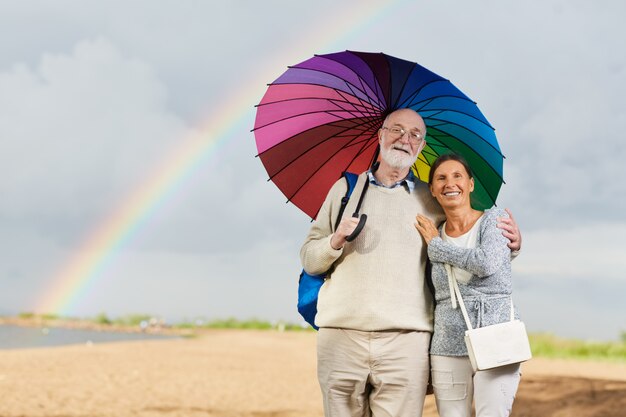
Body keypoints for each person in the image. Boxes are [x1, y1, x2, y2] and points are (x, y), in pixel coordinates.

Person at [300, 108, 521, 417]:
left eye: (415, 134)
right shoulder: (345, 191)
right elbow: (310, 260)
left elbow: (467, 237)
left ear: (421, 145)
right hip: (341, 337)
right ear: (380, 136)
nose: (405, 139)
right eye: (397, 130)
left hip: (407, 343)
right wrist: (335, 240)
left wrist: (510, 246)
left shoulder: (432, 199)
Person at [414, 153, 522, 417]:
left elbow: (486, 263)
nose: (450, 183)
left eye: (457, 176)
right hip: (447, 345)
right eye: (441, 178)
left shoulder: (493, 220)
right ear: (433, 190)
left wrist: (438, 248)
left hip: (497, 336)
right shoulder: (432, 232)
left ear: (470, 184)